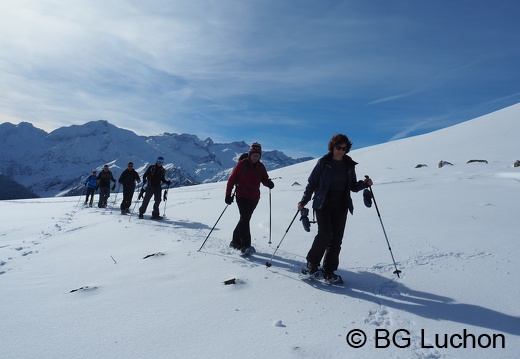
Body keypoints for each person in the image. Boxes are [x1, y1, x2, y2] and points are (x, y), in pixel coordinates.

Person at [297, 134, 373, 283]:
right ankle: (312, 265)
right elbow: (312, 183)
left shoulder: (349, 165)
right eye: (338, 147)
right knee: (324, 234)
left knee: (336, 239)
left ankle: (329, 271)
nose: (341, 150)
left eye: (344, 148)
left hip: (341, 205)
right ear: (332, 146)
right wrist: (304, 200)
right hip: (323, 203)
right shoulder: (323, 163)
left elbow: (352, 186)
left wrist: (364, 184)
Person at [225, 142, 274, 254]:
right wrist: (228, 195)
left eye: (258, 156)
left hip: (254, 198)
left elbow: (264, 179)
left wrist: (269, 183)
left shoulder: (261, 166)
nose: (256, 158)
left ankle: (235, 241)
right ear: (249, 154)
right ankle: (246, 245)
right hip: (241, 196)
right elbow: (231, 180)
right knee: (245, 219)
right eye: (254, 155)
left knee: (244, 219)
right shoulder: (242, 164)